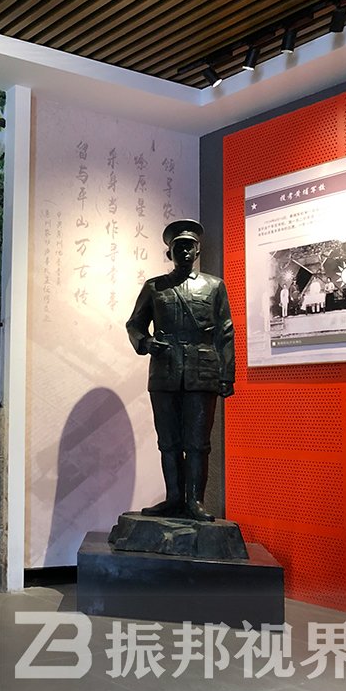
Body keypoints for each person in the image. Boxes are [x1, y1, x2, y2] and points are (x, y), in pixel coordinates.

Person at [126, 219, 235, 521]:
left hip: (203, 369)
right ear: (169, 253)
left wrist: (226, 374)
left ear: (198, 251)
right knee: (168, 441)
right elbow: (134, 324)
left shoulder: (214, 286)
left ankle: (195, 501)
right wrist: (146, 343)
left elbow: (225, 331)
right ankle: (174, 498)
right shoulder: (155, 287)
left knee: (198, 443)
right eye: (179, 247)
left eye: (190, 246)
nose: (185, 251)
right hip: (165, 370)